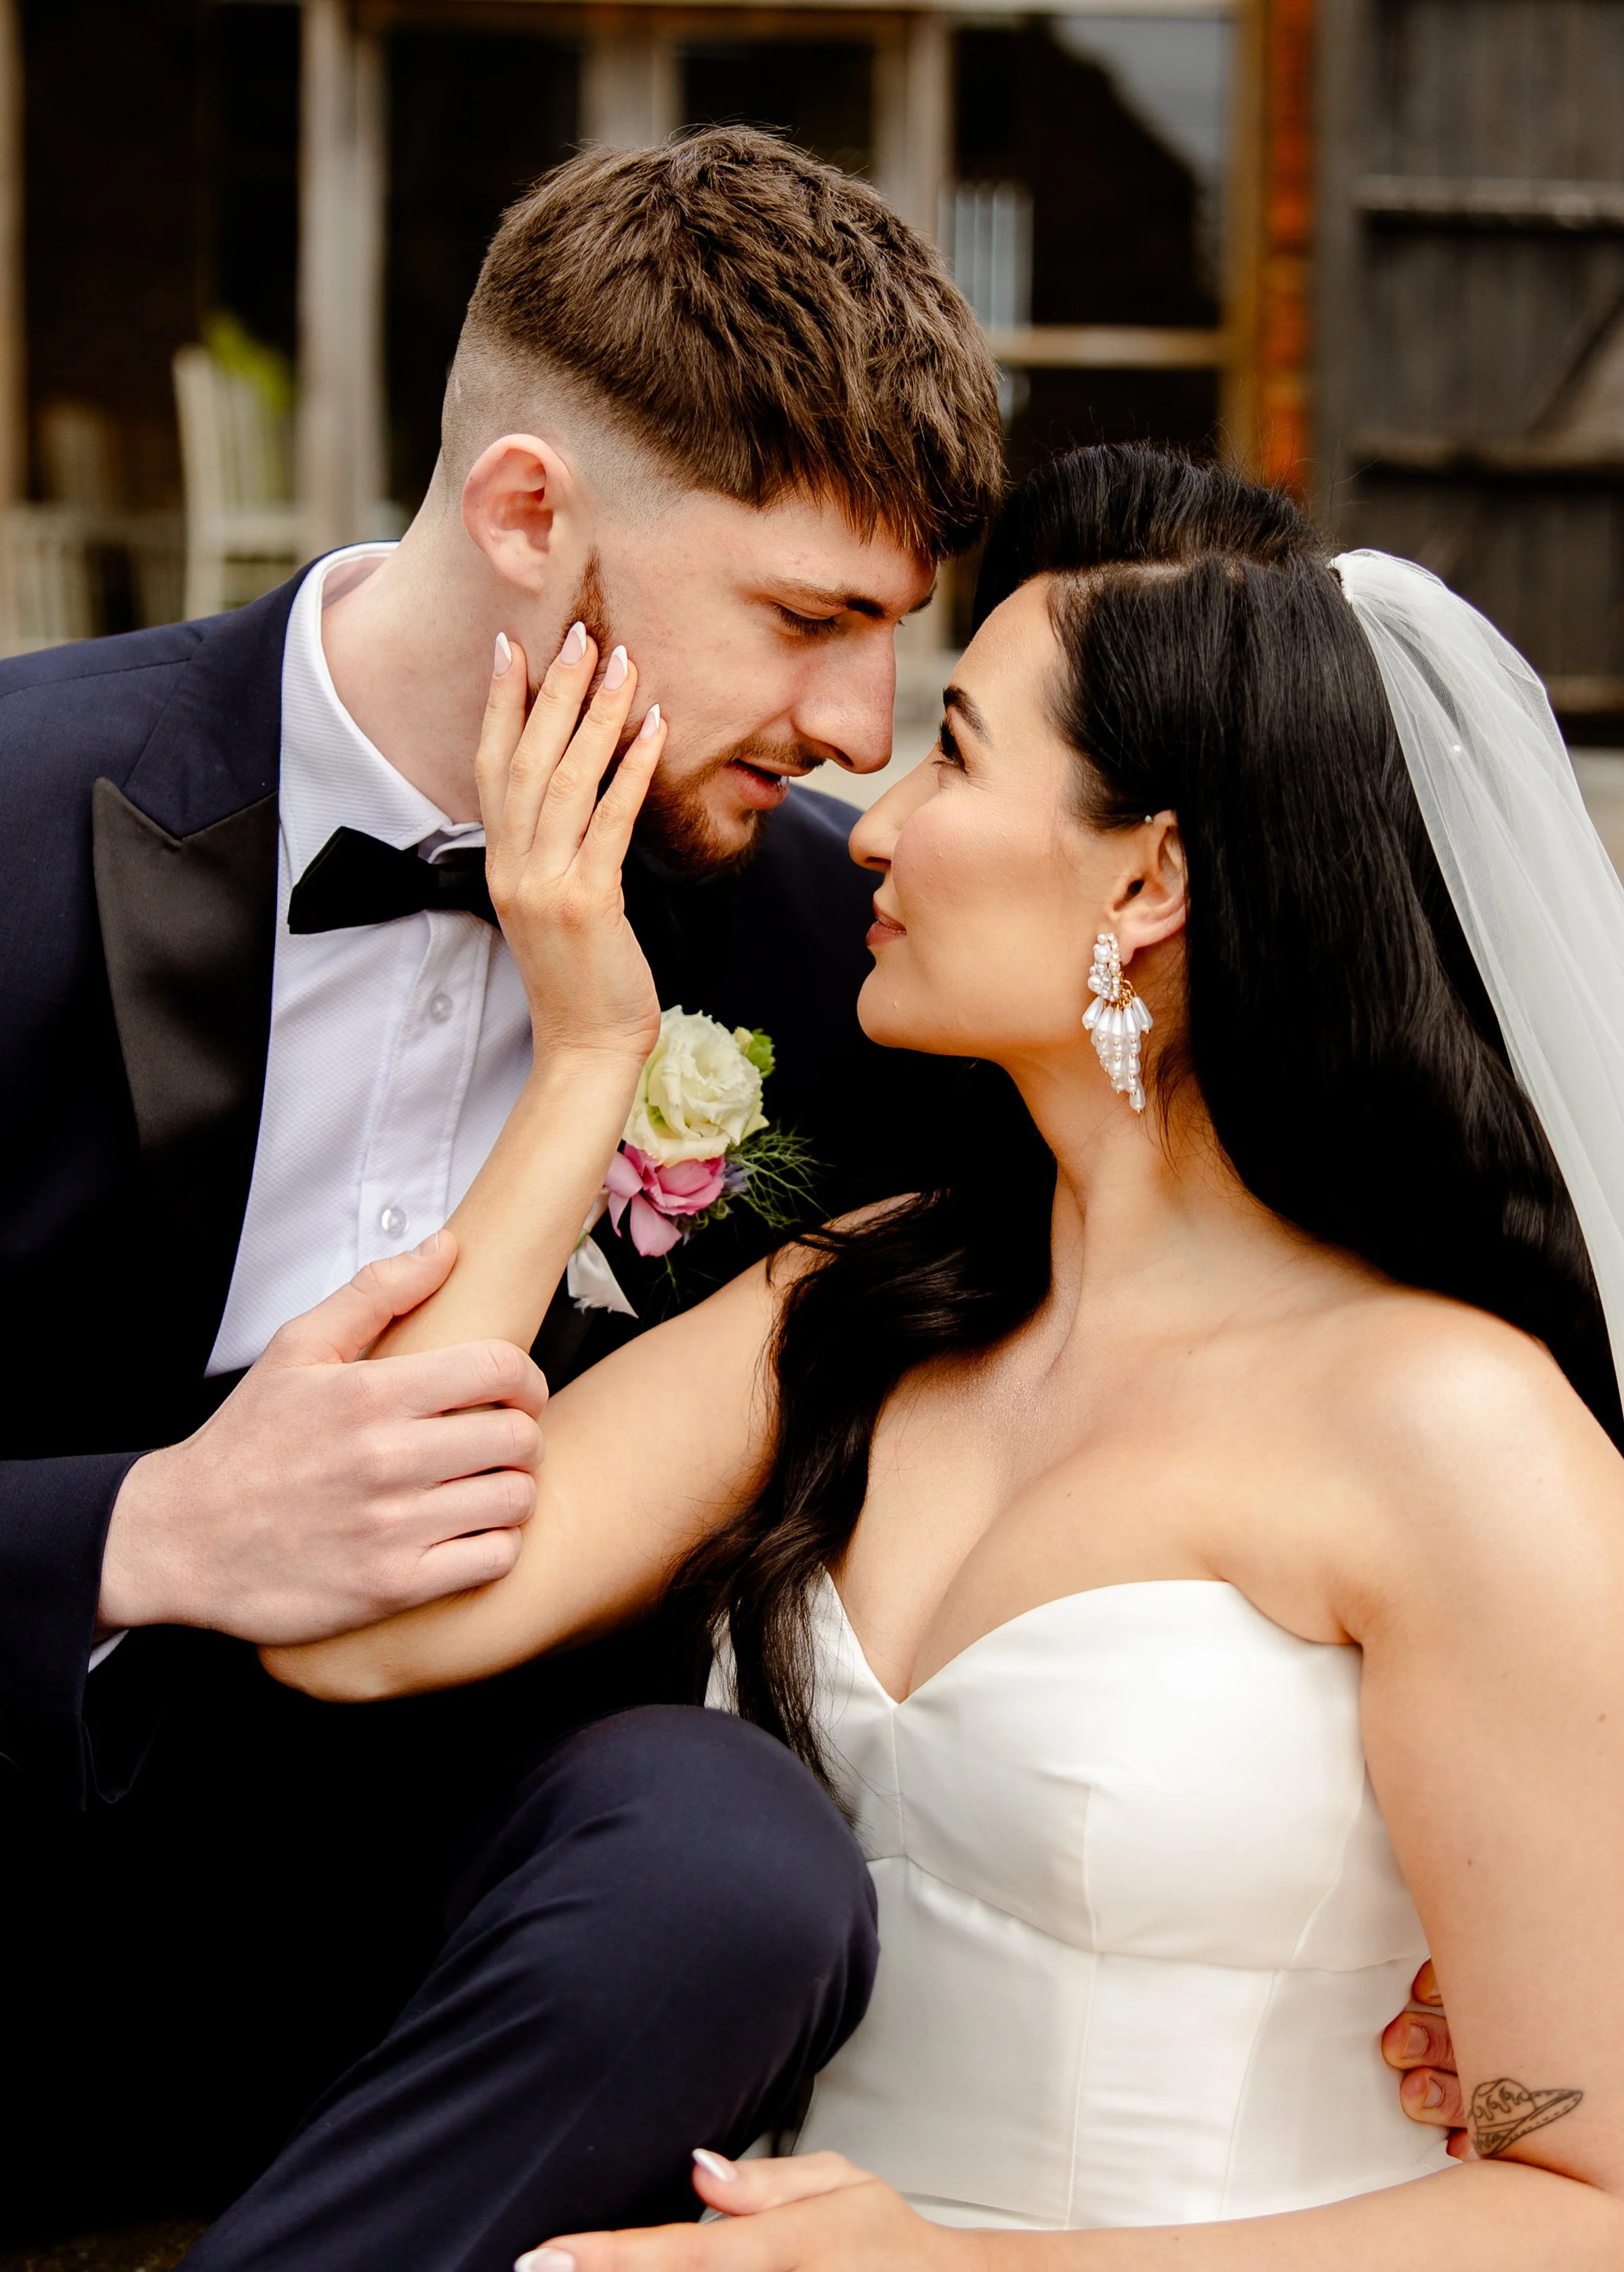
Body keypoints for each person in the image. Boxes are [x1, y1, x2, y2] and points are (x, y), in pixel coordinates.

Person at [273, 445, 1624, 2269]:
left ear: (1146, 880)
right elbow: (354, 1601)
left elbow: (1583, 2189)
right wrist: (590, 1047)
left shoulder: (1451, 1427)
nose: (879, 821)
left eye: (959, 749)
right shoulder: (858, 1302)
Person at [0, 129, 1002, 2253]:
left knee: (731, 1854)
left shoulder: (847, 955)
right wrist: (149, 1526)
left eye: (895, 636)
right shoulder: (4, 814)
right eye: (807, 617)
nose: (853, 725)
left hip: (477, 1953)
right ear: (528, 515)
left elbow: (1178, 1271)